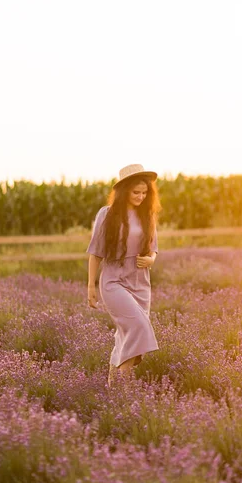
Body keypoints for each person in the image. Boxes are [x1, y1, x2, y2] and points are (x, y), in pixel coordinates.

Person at [87, 164, 161, 387]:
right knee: (138, 327)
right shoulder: (107, 215)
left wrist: (151, 260)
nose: (140, 196)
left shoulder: (147, 215)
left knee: (125, 335)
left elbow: (154, 248)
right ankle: (123, 384)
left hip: (140, 283)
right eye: (135, 192)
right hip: (114, 281)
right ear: (124, 191)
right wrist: (91, 285)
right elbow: (95, 252)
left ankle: (112, 386)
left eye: (144, 192)